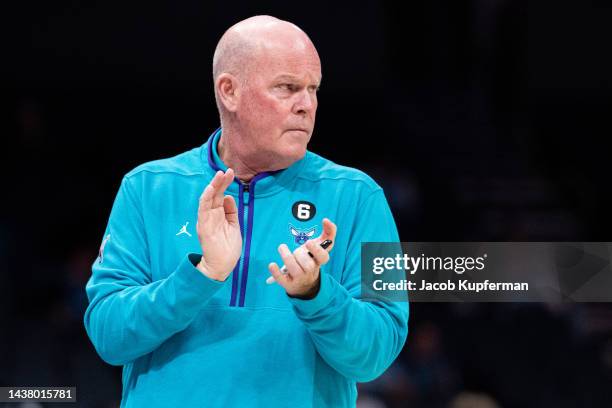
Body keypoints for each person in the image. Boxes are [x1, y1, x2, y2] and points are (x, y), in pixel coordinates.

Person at [84, 15, 408, 407]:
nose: (307, 105)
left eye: (313, 89)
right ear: (229, 91)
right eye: (287, 88)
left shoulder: (359, 197)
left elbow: (376, 355)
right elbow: (109, 336)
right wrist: (203, 275)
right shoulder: (147, 188)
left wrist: (316, 294)